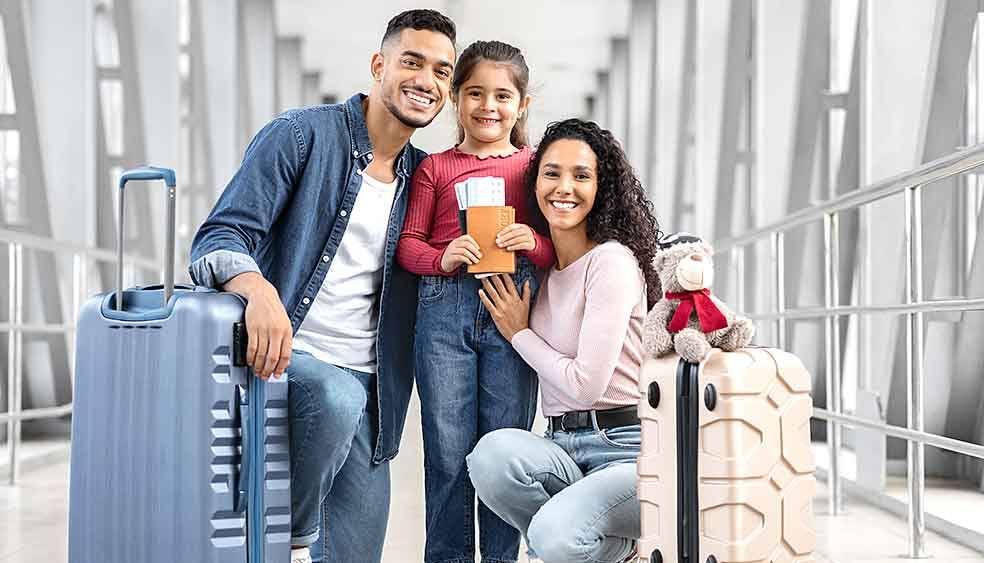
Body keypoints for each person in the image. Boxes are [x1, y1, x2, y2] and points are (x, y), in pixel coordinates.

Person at [187, 10, 457, 563]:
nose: (425, 80)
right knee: (335, 396)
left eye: (441, 71)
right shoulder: (301, 136)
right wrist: (258, 292)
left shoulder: (426, 178)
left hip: (372, 391)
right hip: (285, 359)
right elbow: (218, 237)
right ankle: (292, 539)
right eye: (412, 61)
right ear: (379, 65)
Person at [466, 119, 662, 563]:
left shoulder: (611, 262)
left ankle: (582, 539)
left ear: (601, 188)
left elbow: (586, 385)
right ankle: (611, 550)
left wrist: (520, 334)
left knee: (555, 536)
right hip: (561, 444)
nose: (564, 187)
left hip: (627, 449)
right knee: (489, 458)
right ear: (534, 184)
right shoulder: (544, 272)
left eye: (581, 175)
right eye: (552, 173)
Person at [396, 40, 556, 563]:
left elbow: (560, 247)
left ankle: (503, 557)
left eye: (502, 96)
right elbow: (407, 245)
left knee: (504, 449)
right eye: (475, 94)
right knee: (446, 452)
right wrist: (442, 257)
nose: (488, 107)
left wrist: (532, 242)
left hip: (513, 309)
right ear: (456, 99)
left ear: (522, 105)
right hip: (444, 312)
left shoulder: (535, 169)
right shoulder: (435, 169)